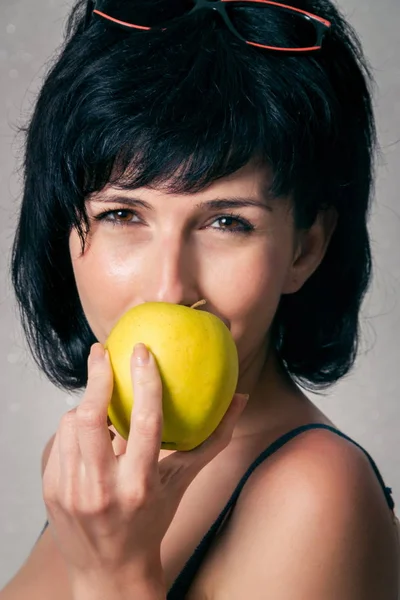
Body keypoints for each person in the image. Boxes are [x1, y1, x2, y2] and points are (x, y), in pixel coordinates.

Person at [1, 0, 399, 598]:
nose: (168, 287)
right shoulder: (95, 464)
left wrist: (115, 573)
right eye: (122, 214)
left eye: (227, 223)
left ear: (303, 250)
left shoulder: (317, 496)